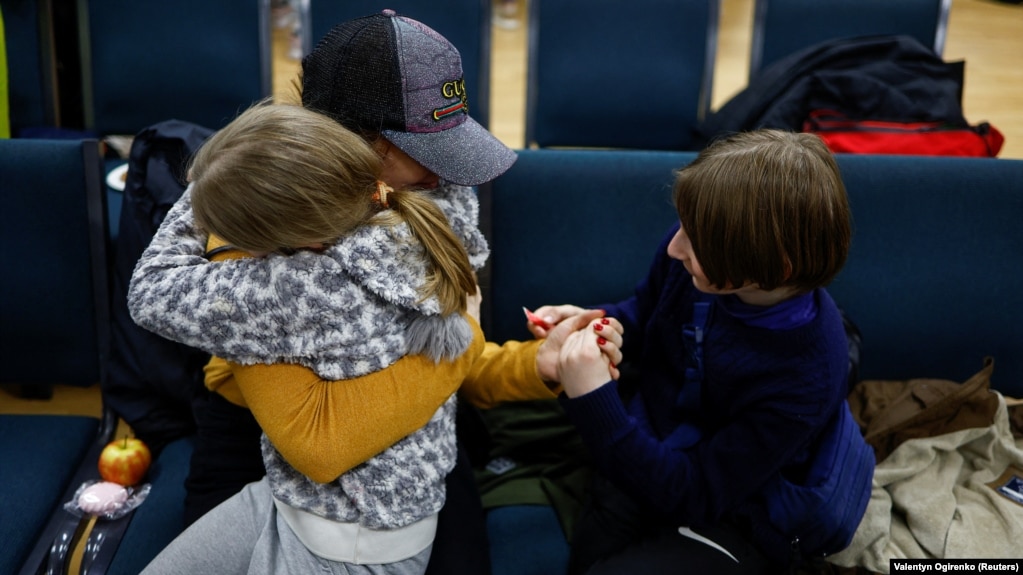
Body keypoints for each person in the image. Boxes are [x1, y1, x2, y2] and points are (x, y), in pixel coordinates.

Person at [169, 11, 616, 575]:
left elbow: (443, 359)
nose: (444, 174)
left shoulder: (433, 195)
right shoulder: (264, 221)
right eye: (428, 151)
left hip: (417, 444)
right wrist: (465, 337)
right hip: (263, 448)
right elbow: (319, 444)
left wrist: (538, 365)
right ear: (363, 145)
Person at [532, 130, 875, 573]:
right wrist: (597, 323)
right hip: (643, 448)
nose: (675, 247)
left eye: (695, 242)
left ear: (772, 268)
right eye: (682, 227)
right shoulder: (696, 253)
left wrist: (591, 399)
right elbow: (647, 310)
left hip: (726, 511)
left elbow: (694, 493)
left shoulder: (809, 374)